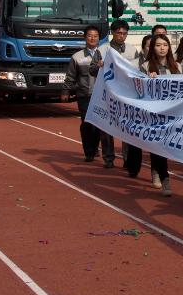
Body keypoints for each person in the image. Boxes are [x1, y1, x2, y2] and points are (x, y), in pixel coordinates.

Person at [126, 34, 176, 196]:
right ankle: (164, 178)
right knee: (157, 145)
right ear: (152, 48)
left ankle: (157, 170)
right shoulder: (146, 66)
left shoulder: (176, 67)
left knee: (164, 147)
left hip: (171, 113)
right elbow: (138, 89)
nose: (162, 48)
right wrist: (148, 80)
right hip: (152, 113)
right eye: (158, 45)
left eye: (165, 45)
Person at [65, 25, 115, 167]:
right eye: (89, 36)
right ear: (85, 38)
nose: (92, 38)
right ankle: (90, 152)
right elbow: (70, 76)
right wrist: (65, 91)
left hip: (104, 96)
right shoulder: (77, 57)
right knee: (88, 126)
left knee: (105, 127)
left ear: (100, 38)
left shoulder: (108, 54)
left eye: (95, 36)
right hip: (85, 95)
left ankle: (109, 158)